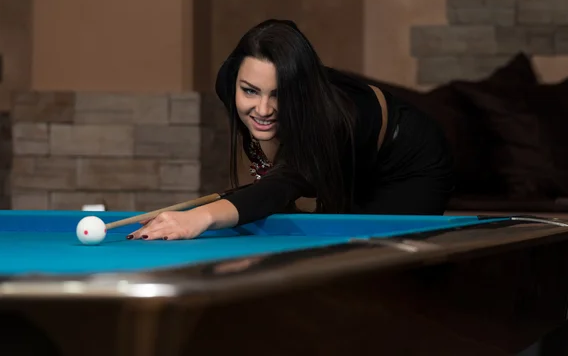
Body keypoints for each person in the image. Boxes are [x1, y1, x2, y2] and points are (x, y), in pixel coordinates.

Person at [128, 19, 454, 241]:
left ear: (300, 93)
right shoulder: (229, 85)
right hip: (346, 162)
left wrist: (197, 218)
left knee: (381, 266)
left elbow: (285, 183)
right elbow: (276, 176)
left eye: (279, 94)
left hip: (407, 164)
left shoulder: (332, 122)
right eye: (251, 91)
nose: (264, 109)